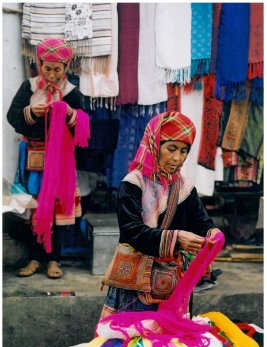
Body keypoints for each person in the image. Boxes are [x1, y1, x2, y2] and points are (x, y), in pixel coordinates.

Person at [101, 110, 222, 317]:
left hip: (172, 281)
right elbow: (132, 231)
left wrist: (212, 232)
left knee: (169, 344)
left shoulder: (184, 188)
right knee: (134, 342)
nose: (178, 158)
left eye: (184, 151)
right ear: (154, 145)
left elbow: (201, 222)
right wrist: (177, 238)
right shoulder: (133, 184)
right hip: (135, 284)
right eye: (171, 148)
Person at [7, 37, 89, 279]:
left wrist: (70, 113)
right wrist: (31, 111)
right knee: (33, 208)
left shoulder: (71, 93)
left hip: (62, 163)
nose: (52, 74)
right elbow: (12, 117)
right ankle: (34, 258)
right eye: (47, 67)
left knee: (58, 210)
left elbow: (84, 129)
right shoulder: (29, 88)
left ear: (66, 68)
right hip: (32, 158)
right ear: (39, 64)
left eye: (57, 69)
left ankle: (54, 260)